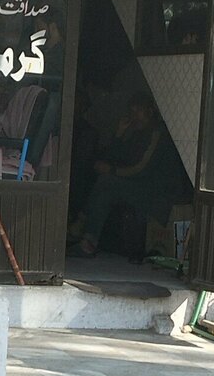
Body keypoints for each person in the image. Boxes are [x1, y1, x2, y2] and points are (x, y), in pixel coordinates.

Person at [68, 93, 192, 257]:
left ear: (150, 111)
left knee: (107, 182)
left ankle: (81, 223)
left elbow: (142, 169)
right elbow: (117, 157)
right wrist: (119, 134)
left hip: (161, 194)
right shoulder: (137, 134)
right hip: (142, 187)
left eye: (138, 111)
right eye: (132, 112)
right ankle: (87, 242)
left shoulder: (158, 133)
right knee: (103, 187)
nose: (134, 116)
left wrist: (112, 171)